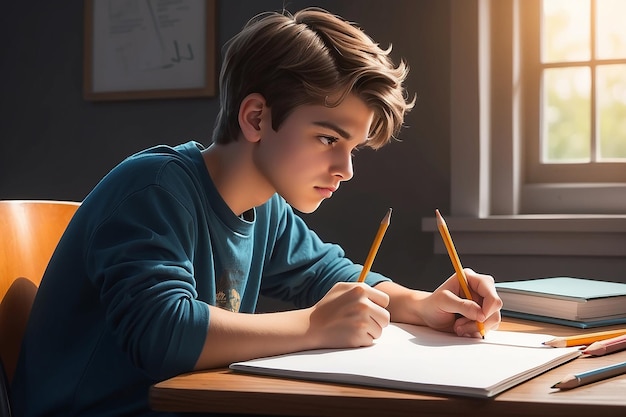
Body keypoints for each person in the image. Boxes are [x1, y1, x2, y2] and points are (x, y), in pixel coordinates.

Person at [11, 7, 502, 417]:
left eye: (352, 148)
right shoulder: (153, 189)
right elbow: (160, 334)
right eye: (328, 139)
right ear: (256, 118)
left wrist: (423, 305)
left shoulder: (265, 207)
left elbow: (333, 274)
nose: (346, 169)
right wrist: (314, 326)